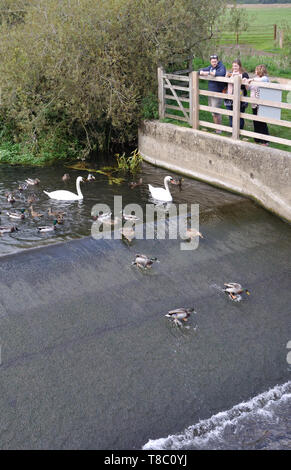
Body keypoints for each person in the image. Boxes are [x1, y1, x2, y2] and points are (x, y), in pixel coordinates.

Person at [199, 54, 226, 133]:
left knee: (216, 111)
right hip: (210, 92)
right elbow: (200, 70)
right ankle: (216, 128)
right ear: (210, 62)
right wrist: (202, 72)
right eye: (212, 61)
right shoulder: (210, 67)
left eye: (215, 61)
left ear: (217, 61)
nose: (214, 63)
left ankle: (219, 129)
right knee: (212, 112)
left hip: (217, 92)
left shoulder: (221, 67)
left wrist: (210, 73)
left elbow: (221, 73)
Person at [247, 64, 269, 145]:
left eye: (256, 70)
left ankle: (265, 141)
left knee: (262, 122)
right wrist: (247, 83)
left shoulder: (264, 78)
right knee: (255, 121)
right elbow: (249, 88)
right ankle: (257, 139)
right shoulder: (255, 80)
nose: (255, 71)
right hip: (254, 103)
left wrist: (252, 79)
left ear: (260, 71)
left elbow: (262, 80)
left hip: (261, 104)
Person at [224, 59, 249, 130]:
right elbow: (225, 84)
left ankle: (239, 130)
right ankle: (232, 130)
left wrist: (241, 79)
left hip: (240, 98)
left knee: (239, 115)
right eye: (233, 66)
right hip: (229, 98)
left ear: (240, 66)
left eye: (236, 66)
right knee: (231, 115)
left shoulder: (244, 74)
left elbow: (245, 86)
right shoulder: (230, 73)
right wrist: (226, 77)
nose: (234, 67)